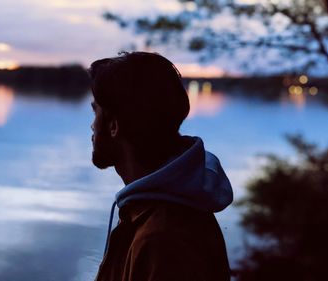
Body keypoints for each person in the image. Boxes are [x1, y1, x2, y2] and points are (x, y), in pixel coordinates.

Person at [89, 52, 233, 281]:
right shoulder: (151, 212)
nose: (92, 126)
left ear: (114, 125)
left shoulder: (163, 240)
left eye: (95, 111)